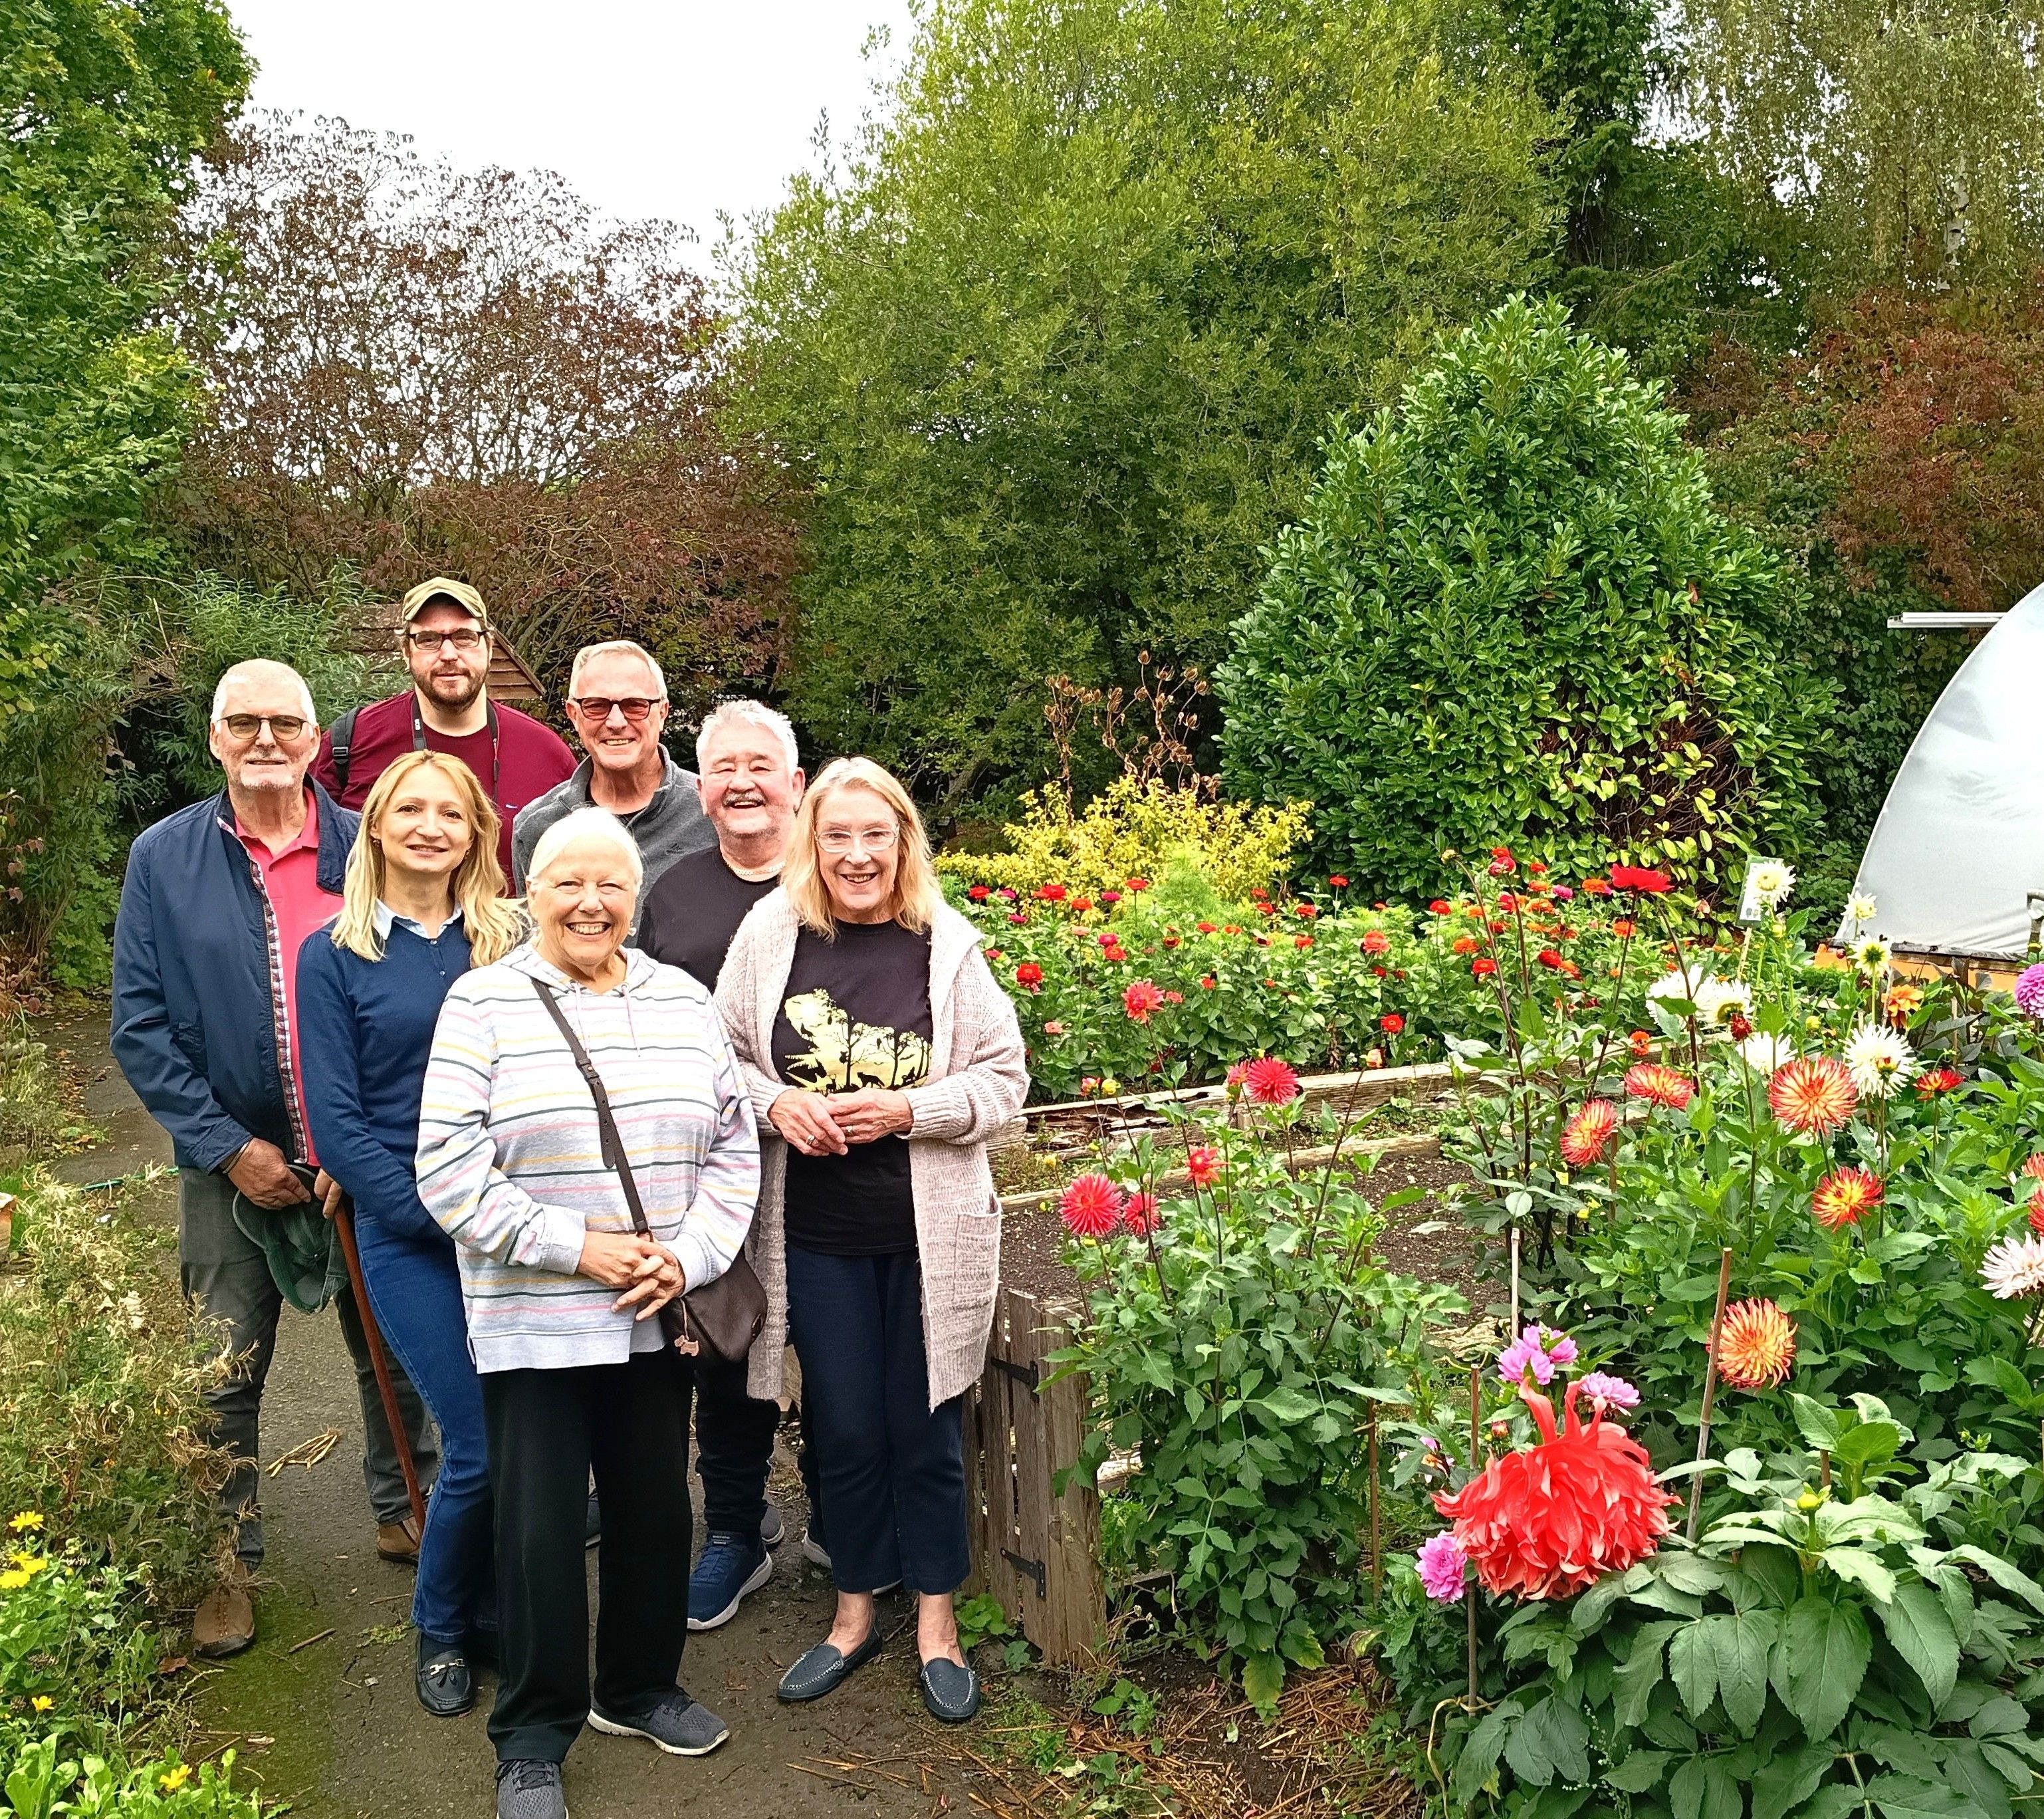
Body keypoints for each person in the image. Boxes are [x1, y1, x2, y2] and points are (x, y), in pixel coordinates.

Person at [417, 807, 759, 1819]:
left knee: (657, 1510)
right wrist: (580, 1248)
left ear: (635, 898)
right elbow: (447, 1170)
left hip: (656, 1313)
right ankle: (531, 1734)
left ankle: (638, 1687)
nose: (591, 901)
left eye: (611, 884)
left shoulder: (682, 1000)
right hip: (534, 1323)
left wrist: (688, 1257)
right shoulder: (484, 1002)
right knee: (539, 1531)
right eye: (568, 881)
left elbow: (733, 1148)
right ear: (531, 893)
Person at [111, 660, 438, 1660]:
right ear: (213, 739)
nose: (264, 738)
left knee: (397, 1345)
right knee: (221, 1364)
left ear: (313, 739)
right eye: (242, 722)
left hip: (366, 1149)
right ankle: (224, 1559)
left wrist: (366, 1141)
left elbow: (412, 993)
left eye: (284, 722)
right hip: (231, 1160)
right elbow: (140, 1026)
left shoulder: (367, 844)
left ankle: (408, 1507)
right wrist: (225, 1149)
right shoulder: (163, 859)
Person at [716, 757, 1028, 1724]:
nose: (856, 855)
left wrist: (907, 1109)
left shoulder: (946, 948)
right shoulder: (771, 936)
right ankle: (853, 1610)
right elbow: (719, 1059)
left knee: (926, 1428)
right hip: (815, 1236)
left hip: (927, 1239)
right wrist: (777, 1104)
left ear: (903, 843)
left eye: (874, 835)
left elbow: (1004, 1085)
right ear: (812, 843)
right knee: (843, 1431)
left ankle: (936, 1621)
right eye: (837, 836)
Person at [297, 752, 529, 1718]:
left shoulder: (510, 942)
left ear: (476, 831)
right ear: (377, 829)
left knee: (525, 1436)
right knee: (474, 1439)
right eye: (410, 811)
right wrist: (437, 1211)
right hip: (409, 1230)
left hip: (518, 1223)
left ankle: (498, 1609)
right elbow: (337, 1123)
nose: (431, 827)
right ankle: (440, 1626)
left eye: (452, 812)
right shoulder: (335, 953)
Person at [638, 701, 812, 1630]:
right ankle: (735, 1532)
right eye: (722, 769)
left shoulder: (843, 878)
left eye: (761, 765)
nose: (741, 783)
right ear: (700, 791)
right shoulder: (673, 896)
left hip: (833, 1162)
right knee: (729, 1348)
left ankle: (841, 1521)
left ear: (795, 783)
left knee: (833, 1346)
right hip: (714, 1165)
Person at [312, 578, 576, 884]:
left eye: (464, 637)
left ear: (489, 646)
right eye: (428, 639)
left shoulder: (546, 754)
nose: (449, 654)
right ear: (406, 651)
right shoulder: (351, 741)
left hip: (507, 931)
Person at [510, 640, 711, 904]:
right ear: (574, 714)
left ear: (662, 712)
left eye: (635, 705)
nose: (616, 722)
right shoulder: (537, 826)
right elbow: (535, 937)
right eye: (596, 706)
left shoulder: (711, 813)